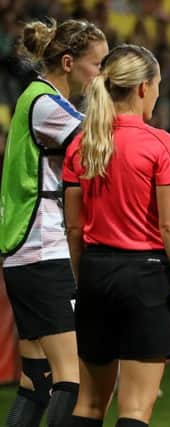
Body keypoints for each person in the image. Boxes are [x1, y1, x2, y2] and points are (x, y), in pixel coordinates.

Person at [62, 44, 170, 427]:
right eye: (156, 85)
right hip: (144, 278)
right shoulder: (160, 143)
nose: (157, 93)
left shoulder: (81, 143)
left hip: (94, 273)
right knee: (135, 410)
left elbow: (73, 228)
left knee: (87, 406)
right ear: (143, 88)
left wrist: (83, 278)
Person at [0, 18, 107, 427]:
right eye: (97, 65)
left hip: (21, 253)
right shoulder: (47, 105)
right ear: (68, 62)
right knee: (71, 380)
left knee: (37, 382)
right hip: (43, 250)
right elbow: (100, 150)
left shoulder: (33, 98)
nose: (100, 75)